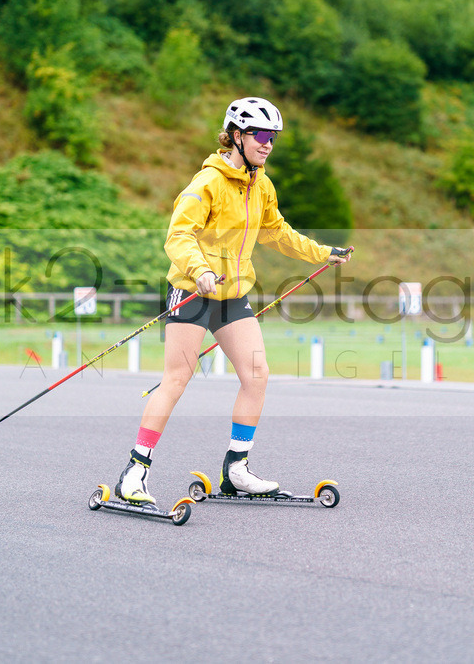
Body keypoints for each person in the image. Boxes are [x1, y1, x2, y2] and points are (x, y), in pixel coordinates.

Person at [116, 97, 353, 504]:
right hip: (193, 290)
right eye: (261, 135)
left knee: (257, 373)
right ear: (237, 136)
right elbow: (178, 235)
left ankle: (236, 469)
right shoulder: (205, 183)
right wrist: (200, 270)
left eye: (273, 137)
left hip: (232, 293)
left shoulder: (261, 185)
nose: (268, 144)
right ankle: (134, 473)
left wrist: (321, 252)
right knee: (176, 379)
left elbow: (277, 232)